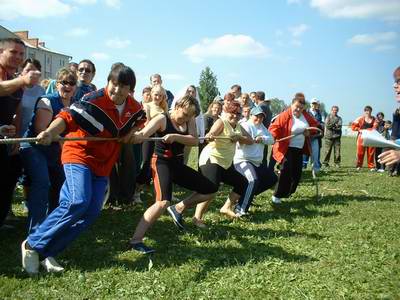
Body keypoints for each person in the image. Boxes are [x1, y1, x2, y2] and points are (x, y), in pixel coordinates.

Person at [21, 63, 145, 274]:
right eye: (114, 84)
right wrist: (50, 132)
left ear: (130, 89)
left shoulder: (134, 108)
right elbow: (66, 117)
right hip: (78, 155)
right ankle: (32, 243)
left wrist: (133, 133)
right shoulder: (92, 100)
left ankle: (46, 253)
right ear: (108, 82)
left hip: (103, 163)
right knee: (77, 201)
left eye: (123, 86)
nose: (117, 90)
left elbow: (141, 121)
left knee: (90, 212)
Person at [129, 95, 217, 254]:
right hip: (161, 163)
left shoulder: (189, 119)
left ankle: (179, 208)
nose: (186, 119)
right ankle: (136, 241)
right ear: (176, 107)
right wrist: (132, 137)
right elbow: (143, 135)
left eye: (190, 116)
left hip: (177, 164)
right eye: (183, 115)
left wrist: (176, 136)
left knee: (210, 190)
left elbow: (194, 141)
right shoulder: (162, 119)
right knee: (162, 202)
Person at [20, 68, 77, 234]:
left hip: (57, 150)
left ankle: (52, 225)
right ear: (57, 84)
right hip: (34, 147)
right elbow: (41, 130)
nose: (68, 86)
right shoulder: (47, 101)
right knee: (42, 182)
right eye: (64, 82)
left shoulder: (76, 106)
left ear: (76, 87)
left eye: (72, 83)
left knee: (61, 184)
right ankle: (36, 231)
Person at [0, 38, 41, 228]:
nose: (17, 57)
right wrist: (22, 80)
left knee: (9, 176)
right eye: (13, 52)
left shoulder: (13, 78)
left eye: (21, 54)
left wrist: (16, 137)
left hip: (6, 138)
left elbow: (16, 110)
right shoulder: (12, 78)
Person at [193, 99, 253, 227]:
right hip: (212, 159)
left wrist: (240, 137)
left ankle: (226, 207)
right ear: (226, 112)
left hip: (225, 163)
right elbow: (211, 134)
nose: (235, 116)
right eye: (233, 113)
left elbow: (250, 140)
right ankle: (196, 217)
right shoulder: (222, 122)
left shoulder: (238, 126)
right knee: (211, 188)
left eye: (238, 114)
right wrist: (211, 135)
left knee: (242, 183)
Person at [268, 93, 319, 207]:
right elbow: (273, 128)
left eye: (301, 108)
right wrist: (272, 137)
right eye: (296, 106)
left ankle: (288, 192)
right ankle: (277, 195)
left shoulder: (306, 115)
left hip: (299, 148)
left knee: (296, 173)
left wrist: (309, 132)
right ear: (292, 105)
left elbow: (315, 126)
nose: (298, 109)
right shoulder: (285, 115)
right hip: (285, 147)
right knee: (286, 169)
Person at [233, 106, 277, 216]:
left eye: (262, 117)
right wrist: (249, 139)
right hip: (243, 160)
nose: (259, 119)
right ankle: (240, 209)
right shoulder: (245, 125)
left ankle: (248, 195)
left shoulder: (263, 128)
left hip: (257, 163)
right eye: (257, 116)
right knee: (253, 180)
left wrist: (262, 139)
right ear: (251, 115)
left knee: (272, 178)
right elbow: (240, 141)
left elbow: (272, 140)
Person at [134, 84, 169, 203]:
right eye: (156, 94)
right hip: (149, 138)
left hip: (161, 139)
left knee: (160, 164)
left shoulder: (164, 108)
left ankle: (160, 191)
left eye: (160, 95)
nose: (158, 97)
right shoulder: (147, 106)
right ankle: (136, 191)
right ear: (152, 94)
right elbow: (146, 123)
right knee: (146, 163)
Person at [378, 66, 400, 169]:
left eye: (399, 81)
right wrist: (390, 146)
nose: (394, 86)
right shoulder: (397, 112)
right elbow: (395, 138)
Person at [351, 106, 378, 171]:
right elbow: (353, 126)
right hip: (361, 137)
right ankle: (359, 165)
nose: (368, 112)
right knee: (360, 152)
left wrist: (368, 130)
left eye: (369, 111)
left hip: (371, 138)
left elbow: (375, 127)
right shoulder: (360, 118)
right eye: (366, 111)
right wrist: (359, 129)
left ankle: (371, 166)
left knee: (371, 152)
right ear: (364, 111)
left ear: (371, 111)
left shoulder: (374, 119)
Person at [303, 99, 324, 172]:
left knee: (316, 152)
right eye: (313, 103)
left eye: (315, 104)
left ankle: (316, 168)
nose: (314, 105)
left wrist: (321, 125)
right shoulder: (306, 112)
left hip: (315, 136)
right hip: (306, 136)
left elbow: (321, 123)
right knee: (304, 152)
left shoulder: (319, 114)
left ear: (317, 105)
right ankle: (303, 167)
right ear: (310, 104)